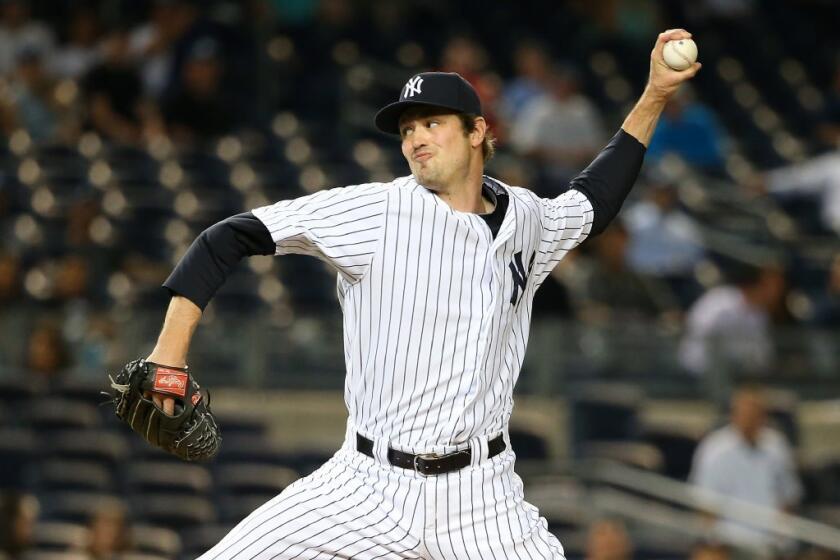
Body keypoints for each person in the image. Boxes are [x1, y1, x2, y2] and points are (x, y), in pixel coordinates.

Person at [143, 29, 700, 559]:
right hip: (364, 486)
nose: (415, 139)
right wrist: (169, 354)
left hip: (481, 499)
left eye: (432, 123)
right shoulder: (376, 211)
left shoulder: (527, 217)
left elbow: (594, 202)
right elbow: (226, 237)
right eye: (407, 130)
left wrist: (653, 95)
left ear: (478, 131)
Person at [689, 386, 802, 551]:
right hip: (727, 544)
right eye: (745, 413)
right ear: (734, 415)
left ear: (763, 416)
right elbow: (705, 505)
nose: (749, 418)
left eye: (755, 413)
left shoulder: (777, 446)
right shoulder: (713, 448)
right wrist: (714, 543)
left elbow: (788, 499)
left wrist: (780, 539)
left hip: (770, 544)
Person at [678, 264, 785, 376]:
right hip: (697, 377)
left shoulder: (760, 315)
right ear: (760, 283)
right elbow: (696, 349)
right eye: (774, 285)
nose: (779, 291)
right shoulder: (720, 303)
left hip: (739, 379)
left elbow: (762, 359)